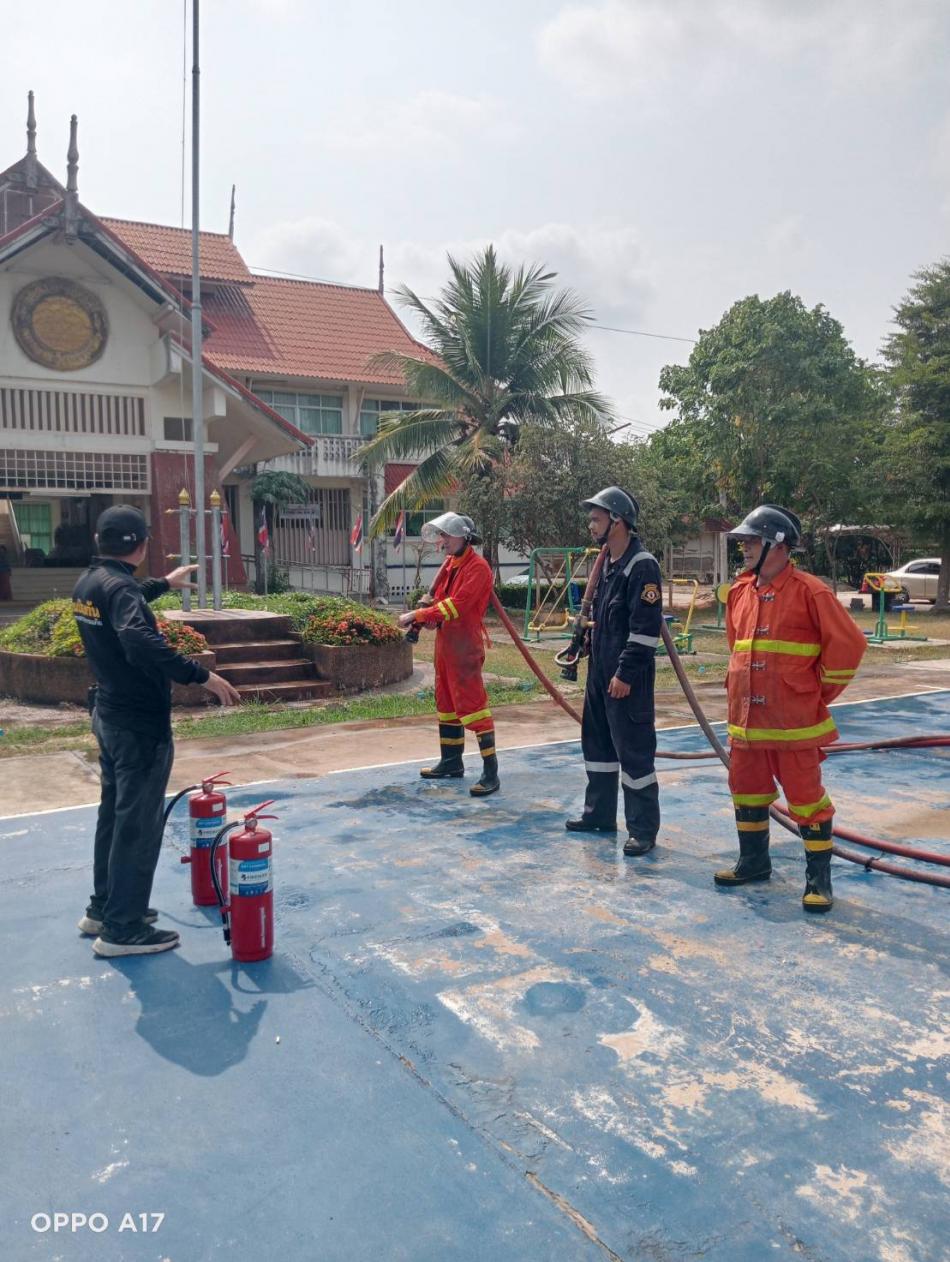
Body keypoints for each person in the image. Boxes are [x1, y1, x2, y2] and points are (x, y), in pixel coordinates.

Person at [72, 505, 240, 956]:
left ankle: (104, 909)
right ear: (142, 545)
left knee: (113, 816)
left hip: (107, 715)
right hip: (138, 725)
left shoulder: (89, 584)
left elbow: (123, 596)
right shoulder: (119, 590)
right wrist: (199, 675)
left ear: (98, 542)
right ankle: (123, 929)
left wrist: (164, 584)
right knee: (137, 825)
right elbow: (135, 635)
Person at [714, 504, 867, 912]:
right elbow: (738, 647)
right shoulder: (741, 592)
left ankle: (818, 880)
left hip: (794, 725)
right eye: (743, 540)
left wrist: (816, 694)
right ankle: (753, 862)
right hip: (747, 722)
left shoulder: (810, 591)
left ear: (778, 545)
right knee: (746, 789)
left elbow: (849, 647)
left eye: (751, 540)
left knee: (806, 798)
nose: (743, 547)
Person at [566, 487, 663, 856]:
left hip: (627, 680)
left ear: (617, 520)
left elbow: (644, 631)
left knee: (634, 754)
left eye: (596, 518)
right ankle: (598, 815)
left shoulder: (642, 566)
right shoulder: (607, 564)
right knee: (598, 747)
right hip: (599, 673)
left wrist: (624, 674)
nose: (590, 525)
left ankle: (642, 829)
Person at [398, 512, 499, 797]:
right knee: (446, 703)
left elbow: (457, 606)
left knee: (473, 706)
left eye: (446, 536)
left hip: (465, 648)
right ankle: (452, 762)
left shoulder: (478, 568)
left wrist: (418, 613)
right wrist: (429, 620)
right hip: (445, 646)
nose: (442, 541)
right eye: (441, 536)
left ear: (463, 536)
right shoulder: (450, 564)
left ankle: (491, 773)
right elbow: (441, 604)